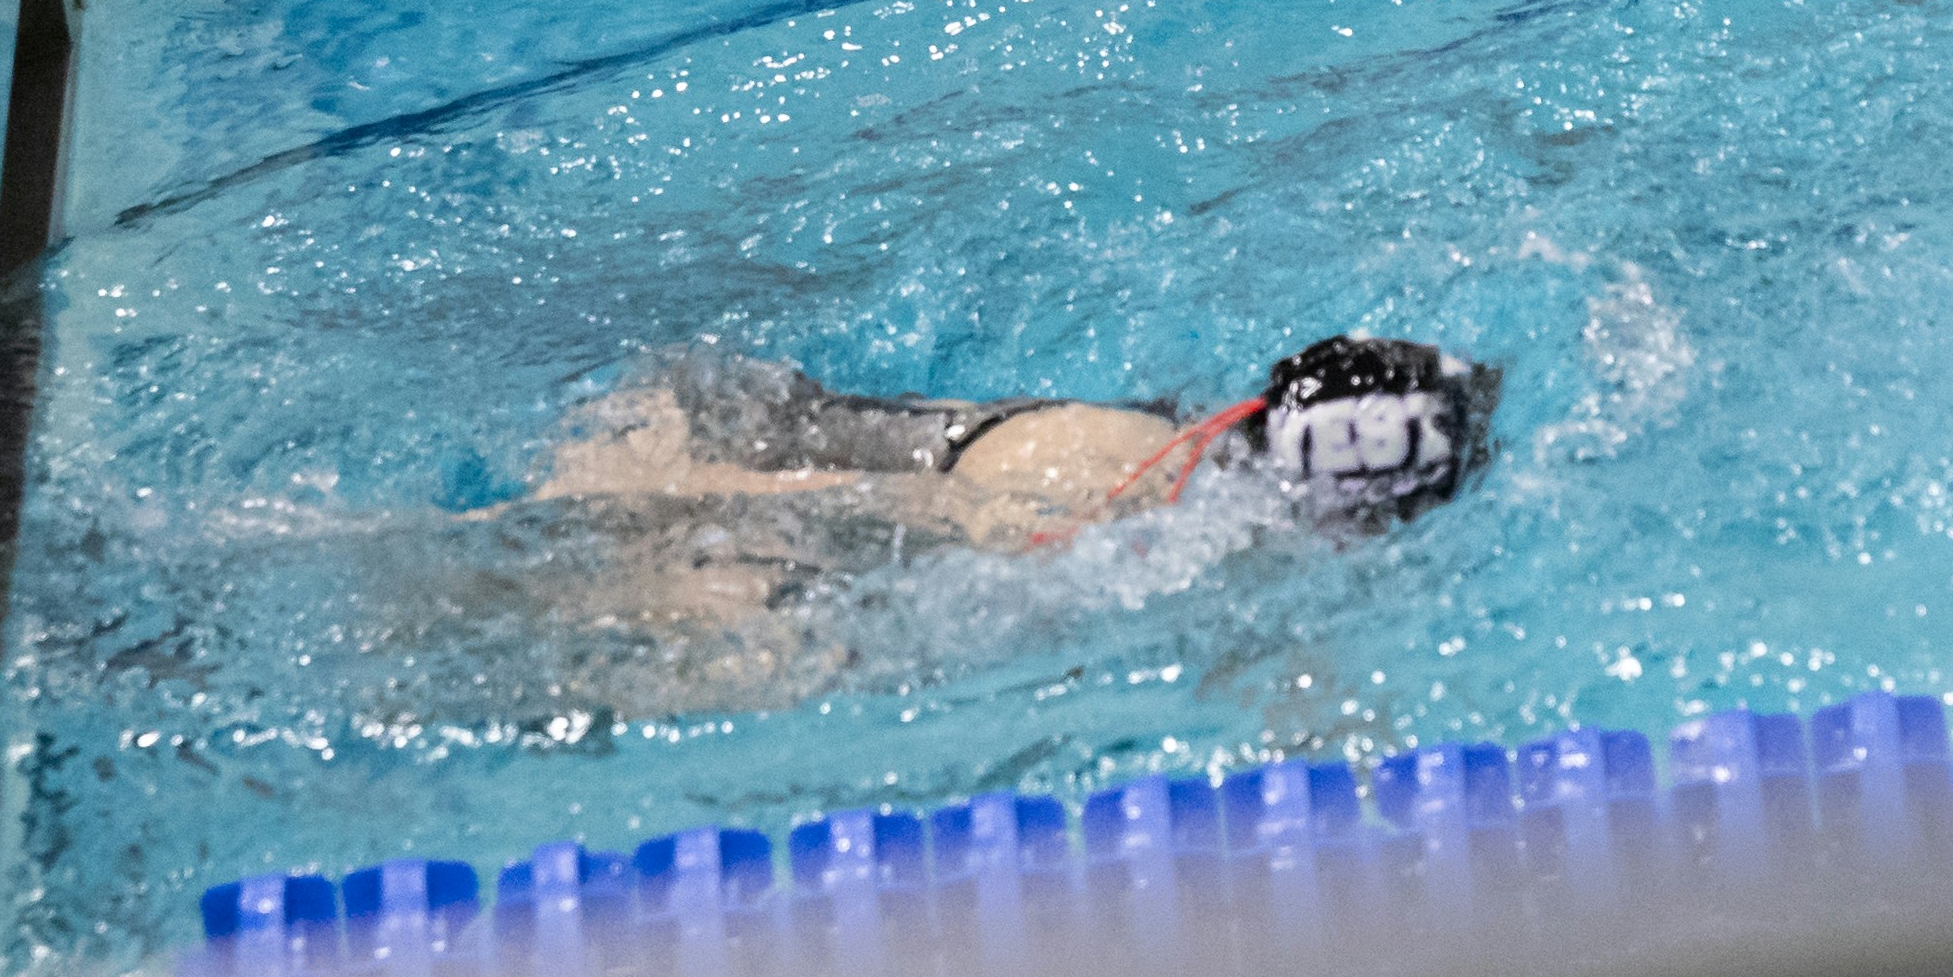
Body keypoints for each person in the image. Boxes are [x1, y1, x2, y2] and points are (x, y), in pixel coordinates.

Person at [508, 330, 1494, 616]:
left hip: (715, 420)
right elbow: (814, 499)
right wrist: (588, 513)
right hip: (651, 479)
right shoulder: (1089, 482)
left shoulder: (1168, 442)